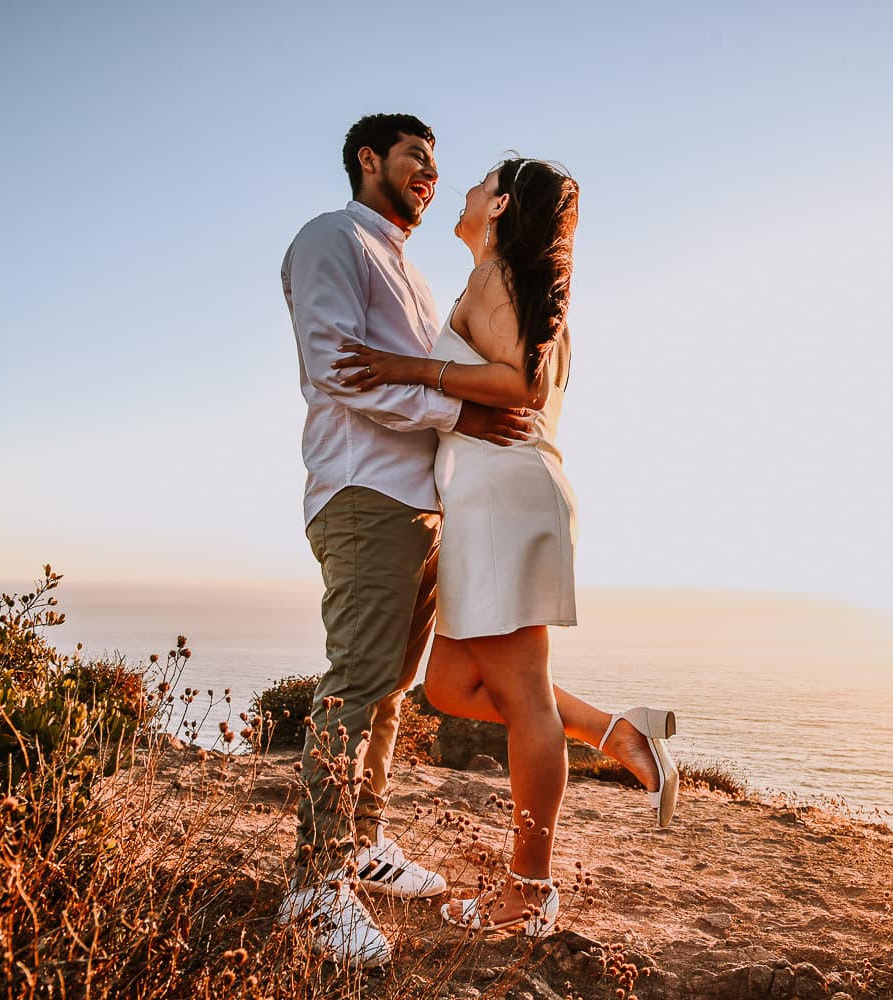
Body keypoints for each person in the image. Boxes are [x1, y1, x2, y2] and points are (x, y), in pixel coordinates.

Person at [333, 158, 679, 939]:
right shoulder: (514, 283)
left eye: (478, 179)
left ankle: (531, 891)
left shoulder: (500, 278)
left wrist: (408, 367)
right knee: (450, 685)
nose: (459, 187)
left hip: (502, 504)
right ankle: (615, 732)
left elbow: (518, 385)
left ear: (498, 206)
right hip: (493, 502)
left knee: (522, 695)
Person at [277, 113, 535, 969]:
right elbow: (338, 368)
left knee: (390, 689)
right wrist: (462, 410)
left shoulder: (414, 273)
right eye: (415, 157)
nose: (429, 171)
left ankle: (360, 844)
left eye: (436, 162)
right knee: (355, 681)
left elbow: (436, 369)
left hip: (421, 504)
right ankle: (313, 885)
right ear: (367, 160)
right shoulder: (331, 239)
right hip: (362, 492)